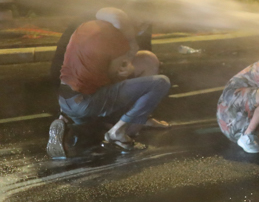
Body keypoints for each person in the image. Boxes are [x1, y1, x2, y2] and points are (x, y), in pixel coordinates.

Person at [48, 10, 171, 157]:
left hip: (65, 100)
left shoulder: (84, 28)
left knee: (146, 59)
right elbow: (115, 77)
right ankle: (119, 132)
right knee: (161, 83)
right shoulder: (115, 40)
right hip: (88, 103)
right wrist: (129, 69)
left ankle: (69, 127)